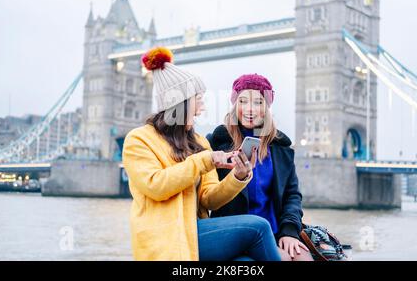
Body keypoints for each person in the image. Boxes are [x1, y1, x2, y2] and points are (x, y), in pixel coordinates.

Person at [122, 48, 281, 261]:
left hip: (195, 232)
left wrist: (238, 177)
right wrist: (206, 160)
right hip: (165, 238)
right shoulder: (139, 140)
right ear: (180, 104)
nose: (202, 108)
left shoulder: (199, 142)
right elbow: (155, 186)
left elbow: (209, 200)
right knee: (259, 227)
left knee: (245, 262)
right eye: (198, 99)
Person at [208, 74, 313, 261]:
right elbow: (206, 195)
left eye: (258, 102)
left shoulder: (281, 148)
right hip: (235, 233)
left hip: (275, 231)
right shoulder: (216, 144)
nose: (250, 109)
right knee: (283, 258)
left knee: (302, 256)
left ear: (267, 107)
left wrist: (289, 231)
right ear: (235, 105)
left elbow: (292, 195)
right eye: (243, 101)